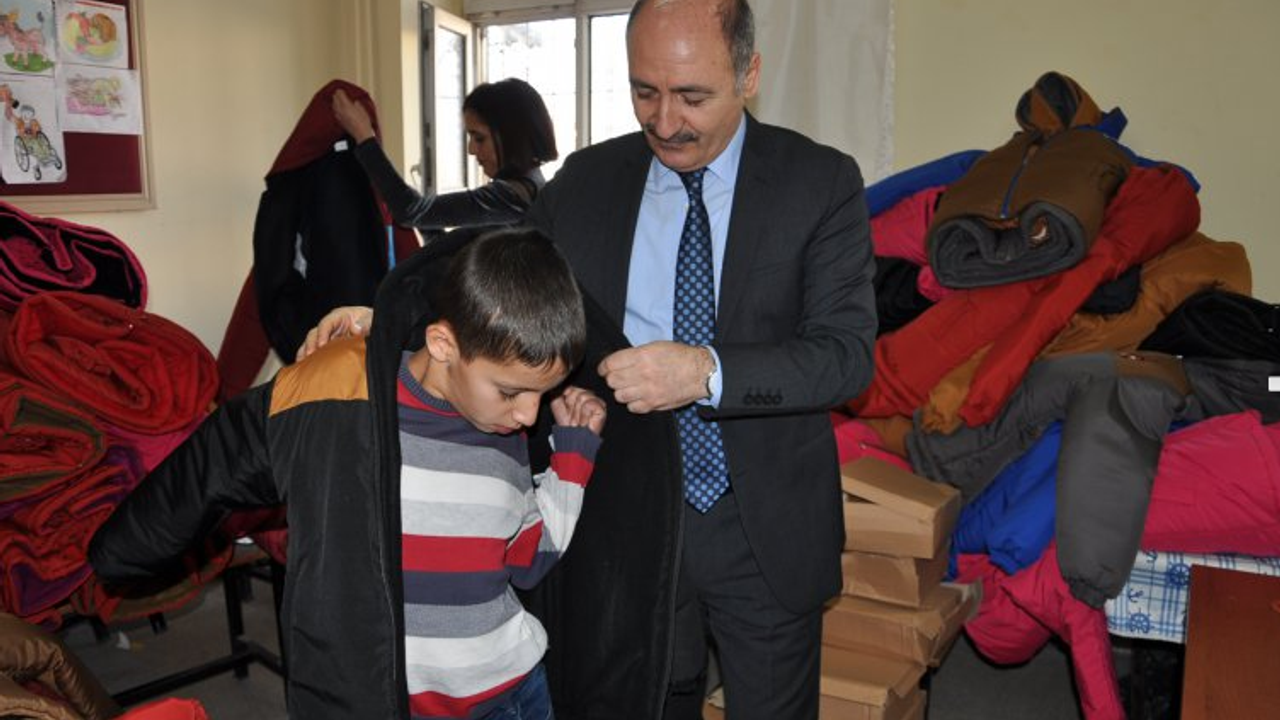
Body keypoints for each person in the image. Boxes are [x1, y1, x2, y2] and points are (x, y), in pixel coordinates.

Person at [301, 1, 876, 717]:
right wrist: (388, 319)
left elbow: (844, 357)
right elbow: (499, 275)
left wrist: (704, 371)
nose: (665, 121)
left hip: (761, 525)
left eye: (692, 96)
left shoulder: (818, 183)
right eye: (644, 91)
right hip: (627, 512)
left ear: (749, 75)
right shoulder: (588, 180)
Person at [90, 228, 608, 720]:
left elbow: (527, 559)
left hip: (513, 696)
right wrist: (121, 551)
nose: (529, 416)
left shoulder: (502, 429)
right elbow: (216, 460)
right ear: (443, 345)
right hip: (388, 702)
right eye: (512, 392)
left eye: (542, 394)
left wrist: (572, 459)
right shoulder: (340, 394)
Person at [332, 77, 558, 236]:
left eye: (479, 138)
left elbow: (409, 210)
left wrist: (364, 137)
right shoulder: (533, 186)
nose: (471, 150)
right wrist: (428, 218)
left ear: (512, 137)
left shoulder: (508, 198)